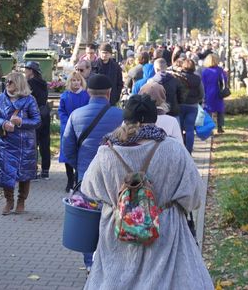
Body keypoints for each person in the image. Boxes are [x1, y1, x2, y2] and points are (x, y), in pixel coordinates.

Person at [80, 95, 213, 289]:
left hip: (118, 230)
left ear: (126, 118)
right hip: (165, 230)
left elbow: (89, 189)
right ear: (154, 118)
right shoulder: (174, 149)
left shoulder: (106, 152)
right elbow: (194, 195)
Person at [62, 74, 123, 273]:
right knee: (114, 215)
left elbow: (67, 148)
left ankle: (90, 263)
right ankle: (111, 259)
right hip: (115, 176)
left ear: (88, 92)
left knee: (88, 217)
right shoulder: (121, 116)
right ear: (109, 93)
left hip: (86, 175)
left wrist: (79, 166)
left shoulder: (76, 115)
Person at [0, 72, 41, 214]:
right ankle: (9, 200)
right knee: (6, 172)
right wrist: (3, 123)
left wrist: (21, 122)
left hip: (25, 144)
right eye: (6, 81)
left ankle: (21, 201)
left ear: (18, 83)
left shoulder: (29, 100)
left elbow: (37, 121)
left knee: (24, 173)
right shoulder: (1, 98)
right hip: (6, 142)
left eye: (10, 81)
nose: (7, 84)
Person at [57, 71, 90, 192]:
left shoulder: (86, 96)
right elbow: (61, 112)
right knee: (67, 154)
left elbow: (87, 111)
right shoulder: (65, 96)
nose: (76, 83)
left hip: (81, 129)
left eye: (78, 80)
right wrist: (67, 123)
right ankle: (70, 180)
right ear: (69, 82)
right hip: (67, 129)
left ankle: (78, 180)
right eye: (73, 80)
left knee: (80, 154)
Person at [24, 61, 51, 179]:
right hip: (44, 113)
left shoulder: (29, 83)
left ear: (31, 70)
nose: (24, 72)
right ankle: (45, 171)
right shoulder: (43, 83)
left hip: (34, 114)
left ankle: (33, 171)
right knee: (45, 143)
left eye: (26, 69)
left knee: (32, 143)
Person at [177, 59, 204, 153]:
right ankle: (189, 151)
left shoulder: (178, 78)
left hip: (180, 105)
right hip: (192, 106)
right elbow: (202, 93)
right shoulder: (197, 78)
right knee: (190, 129)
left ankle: (180, 150)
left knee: (179, 129)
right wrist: (198, 100)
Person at [202, 54, 227, 134]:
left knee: (209, 111)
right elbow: (224, 80)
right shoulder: (219, 70)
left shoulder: (205, 71)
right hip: (218, 92)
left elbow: (203, 83)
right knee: (220, 110)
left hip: (208, 93)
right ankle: (220, 127)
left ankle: (209, 128)